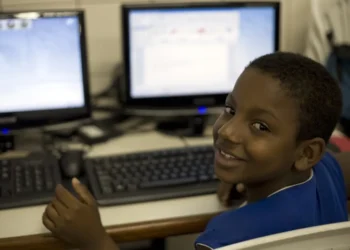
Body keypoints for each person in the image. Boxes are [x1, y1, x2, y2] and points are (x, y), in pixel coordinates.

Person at [42, 52, 350, 250]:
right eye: (230, 109)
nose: (227, 131)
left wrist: (95, 240)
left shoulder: (226, 238)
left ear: (307, 153)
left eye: (260, 127)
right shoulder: (324, 171)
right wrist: (249, 172)